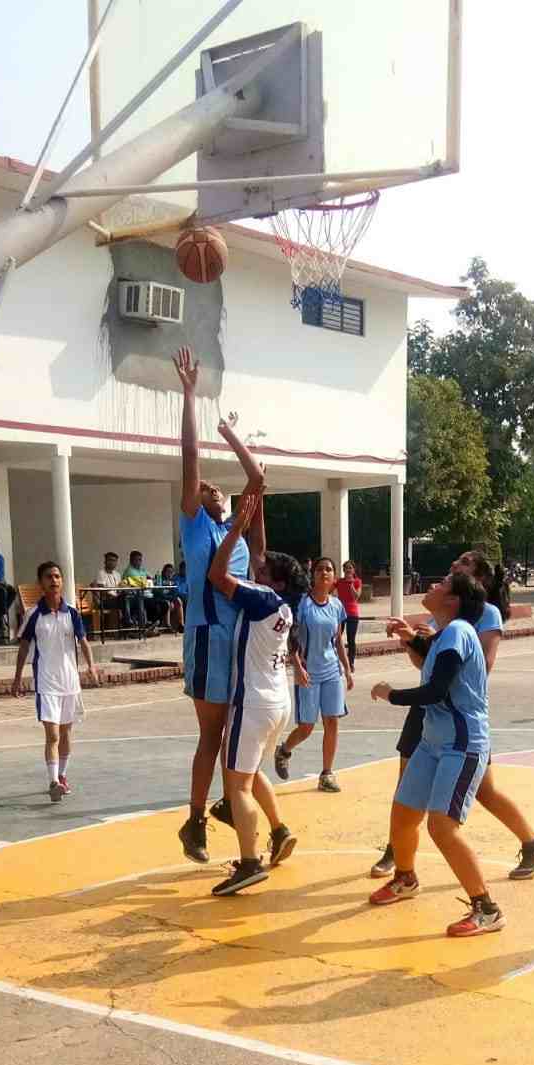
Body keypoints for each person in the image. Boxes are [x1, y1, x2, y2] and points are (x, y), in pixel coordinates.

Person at [372, 550, 534, 881]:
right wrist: (413, 642)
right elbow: (425, 667)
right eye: (455, 562)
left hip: (458, 716)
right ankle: (398, 853)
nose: (454, 565)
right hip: (431, 710)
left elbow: (479, 665)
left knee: (478, 794)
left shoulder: (482, 616)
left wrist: (423, 664)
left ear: (476, 581)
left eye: (465, 564)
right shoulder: (441, 619)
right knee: (408, 786)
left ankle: (531, 844)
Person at [369, 572, 503, 937]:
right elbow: (434, 658)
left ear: (453, 600)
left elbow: (436, 690)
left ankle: (486, 908)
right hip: (433, 743)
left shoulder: (459, 630)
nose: (433, 586)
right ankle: (406, 878)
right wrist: (410, 638)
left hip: (461, 744)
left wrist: (390, 693)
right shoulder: (446, 634)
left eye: (442, 585)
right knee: (403, 814)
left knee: (441, 826)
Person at [175, 345, 267, 864]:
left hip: (239, 642)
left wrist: (233, 437)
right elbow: (190, 460)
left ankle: (230, 808)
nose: (211, 487)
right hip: (209, 635)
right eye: (205, 487)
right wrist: (190, 396)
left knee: (239, 733)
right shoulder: (197, 525)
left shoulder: (239, 530)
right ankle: (194, 823)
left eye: (217, 488)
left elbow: (256, 481)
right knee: (214, 733)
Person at [205, 493, 303, 895]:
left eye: (261, 569)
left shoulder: (262, 598)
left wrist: (234, 531)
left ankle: (248, 864)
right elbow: (259, 557)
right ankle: (278, 831)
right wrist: (255, 497)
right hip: (279, 700)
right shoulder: (285, 606)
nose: (254, 568)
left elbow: (216, 574)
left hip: (255, 701)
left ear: (274, 580)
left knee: (236, 784)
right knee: (248, 770)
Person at [11, 560, 100, 803]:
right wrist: (18, 677)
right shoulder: (34, 614)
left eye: (58, 576)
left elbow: (83, 642)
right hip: (46, 683)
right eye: (49, 577)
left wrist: (91, 666)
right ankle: (52, 782)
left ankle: (62, 776)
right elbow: (24, 647)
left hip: (70, 682)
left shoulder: (71, 613)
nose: (54, 580)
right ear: (41, 583)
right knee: (52, 735)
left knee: (66, 733)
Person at [274, 558, 353, 793]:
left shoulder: (337, 606)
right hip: (309, 672)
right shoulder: (302, 605)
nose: (324, 573)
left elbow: (338, 640)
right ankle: (284, 750)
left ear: (334, 576)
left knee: (332, 721)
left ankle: (327, 773)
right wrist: (297, 666)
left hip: (331, 671)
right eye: (320, 569)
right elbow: (292, 639)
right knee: (307, 726)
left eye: (329, 569)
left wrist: (347, 669)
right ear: (313, 575)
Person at [335, 561, 362, 671]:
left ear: (353, 570)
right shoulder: (339, 581)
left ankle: (350, 663)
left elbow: (356, 597)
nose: (348, 570)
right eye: (346, 568)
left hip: (352, 614)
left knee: (351, 639)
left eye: (350, 568)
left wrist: (351, 585)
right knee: (336, 638)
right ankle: (335, 661)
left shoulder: (357, 582)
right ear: (343, 570)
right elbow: (329, 590)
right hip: (340, 613)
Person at [120, 549, 150, 628]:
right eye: (137, 560)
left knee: (161, 602)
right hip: (131, 597)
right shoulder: (129, 571)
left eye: (140, 560)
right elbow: (141, 583)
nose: (140, 562)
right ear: (131, 560)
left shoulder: (142, 570)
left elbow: (150, 579)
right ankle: (142, 624)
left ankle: (146, 623)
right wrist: (145, 581)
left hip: (144, 594)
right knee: (140, 598)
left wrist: (147, 580)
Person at [94, 552, 124, 625]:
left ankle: (128, 625)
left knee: (130, 600)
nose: (112, 562)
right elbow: (103, 592)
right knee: (123, 602)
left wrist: (120, 592)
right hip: (105, 600)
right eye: (110, 560)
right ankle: (123, 626)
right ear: (105, 561)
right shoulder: (101, 573)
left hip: (117, 599)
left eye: (114, 561)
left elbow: (120, 589)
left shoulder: (117, 574)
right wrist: (115, 596)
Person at [156, 563, 184, 631]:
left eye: (171, 572)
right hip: (160, 600)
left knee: (178, 600)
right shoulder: (160, 580)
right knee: (168, 603)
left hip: (170, 600)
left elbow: (175, 593)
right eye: (168, 571)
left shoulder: (173, 581)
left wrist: (171, 600)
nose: (170, 574)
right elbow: (160, 594)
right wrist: (170, 600)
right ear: (164, 572)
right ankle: (168, 626)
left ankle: (181, 624)